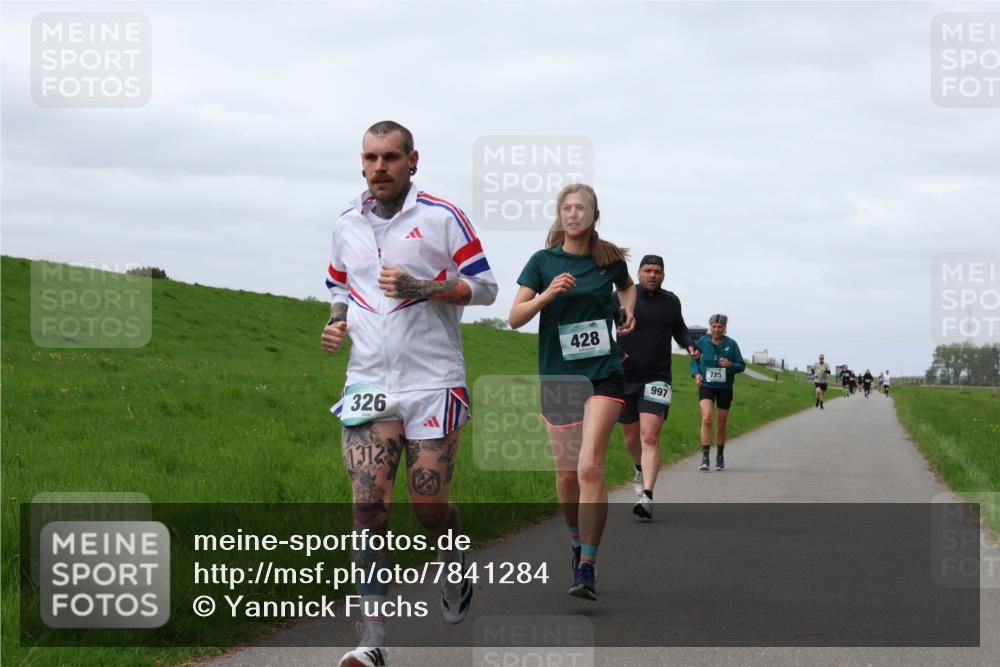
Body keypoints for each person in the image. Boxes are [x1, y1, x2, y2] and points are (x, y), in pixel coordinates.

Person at [322, 121, 498, 667]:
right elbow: (339, 285)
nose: (379, 167)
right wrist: (335, 321)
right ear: (362, 162)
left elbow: (486, 288)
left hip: (433, 380)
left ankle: (452, 555)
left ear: (412, 160)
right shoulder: (346, 223)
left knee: (428, 507)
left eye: (391, 157)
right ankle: (371, 641)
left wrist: (423, 287)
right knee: (368, 507)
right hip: (368, 382)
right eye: (370, 157)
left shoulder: (443, 217)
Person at [508, 183, 635, 602]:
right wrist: (547, 294)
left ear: (595, 216)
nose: (574, 214)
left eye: (582, 208)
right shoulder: (542, 262)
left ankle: (588, 567)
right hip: (559, 377)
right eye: (567, 208)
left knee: (589, 468)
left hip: (604, 374)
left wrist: (628, 310)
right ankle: (577, 543)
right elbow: (514, 318)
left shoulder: (609, 260)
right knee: (566, 476)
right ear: (559, 215)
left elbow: (627, 287)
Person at [612, 254, 699, 520]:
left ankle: (647, 496)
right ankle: (639, 468)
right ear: (638, 273)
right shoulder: (620, 297)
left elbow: (679, 328)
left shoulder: (670, 301)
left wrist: (689, 344)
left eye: (657, 271)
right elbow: (602, 328)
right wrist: (615, 351)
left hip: (657, 377)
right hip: (625, 377)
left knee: (649, 436)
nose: (652, 275)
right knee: (631, 438)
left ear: (663, 275)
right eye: (648, 270)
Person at [690, 314, 745, 471]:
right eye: (714, 326)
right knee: (707, 418)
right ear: (710, 327)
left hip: (725, 388)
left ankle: (720, 456)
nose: (716, 330)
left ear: (725, 328)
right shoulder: (702, 342)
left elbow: (741, 365)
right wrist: (696, 373)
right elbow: (694, 360)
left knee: (721, 424)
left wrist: (730, 365)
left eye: (720, 327)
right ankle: (705, 457)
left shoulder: (731, 344)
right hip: (706, 386)